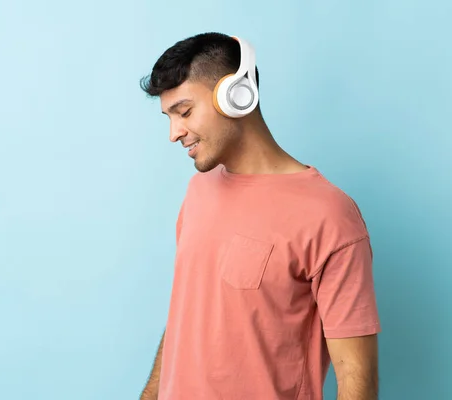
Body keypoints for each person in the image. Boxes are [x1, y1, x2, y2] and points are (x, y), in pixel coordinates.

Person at [138, 32, 381, 400]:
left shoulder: (330, 215)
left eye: (185, 112)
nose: (175, 133)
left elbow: (356, 380)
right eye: (169, 117)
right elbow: (186, 317)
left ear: (236, 96)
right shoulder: (198, 192)